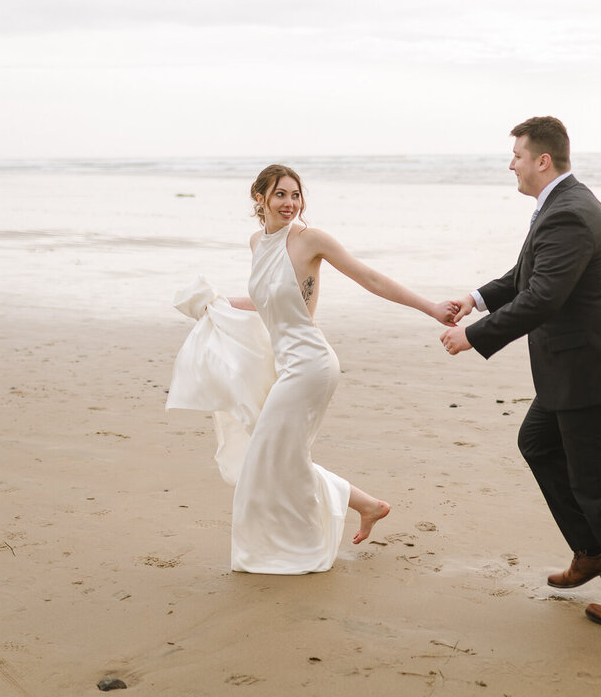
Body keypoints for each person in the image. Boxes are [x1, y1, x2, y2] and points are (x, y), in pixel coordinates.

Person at [439, 117, 601, 631]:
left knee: (600, 490)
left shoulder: (569, 213)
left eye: (517, 156)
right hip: (576, 370)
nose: (512, 165)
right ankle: (591, 550)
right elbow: (527, 275)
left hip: (597, 373)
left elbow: (543, 298)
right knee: (538, 443)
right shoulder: (559, 207)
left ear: (542, 160)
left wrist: (474, 335)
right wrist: (474, 299)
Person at [169, 164, 458, 575]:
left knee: (270, 455)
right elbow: (269, 301)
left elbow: (370, 278)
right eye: (281, 195)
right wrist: (218, 305)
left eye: (296, 195)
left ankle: (293, 546)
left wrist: (430, 308)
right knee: (277, 455)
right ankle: (368, 506)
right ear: (260, 198)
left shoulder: (310, 241)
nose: (290, 204)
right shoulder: (257, 243)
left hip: (312, 365)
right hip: (287, 363)